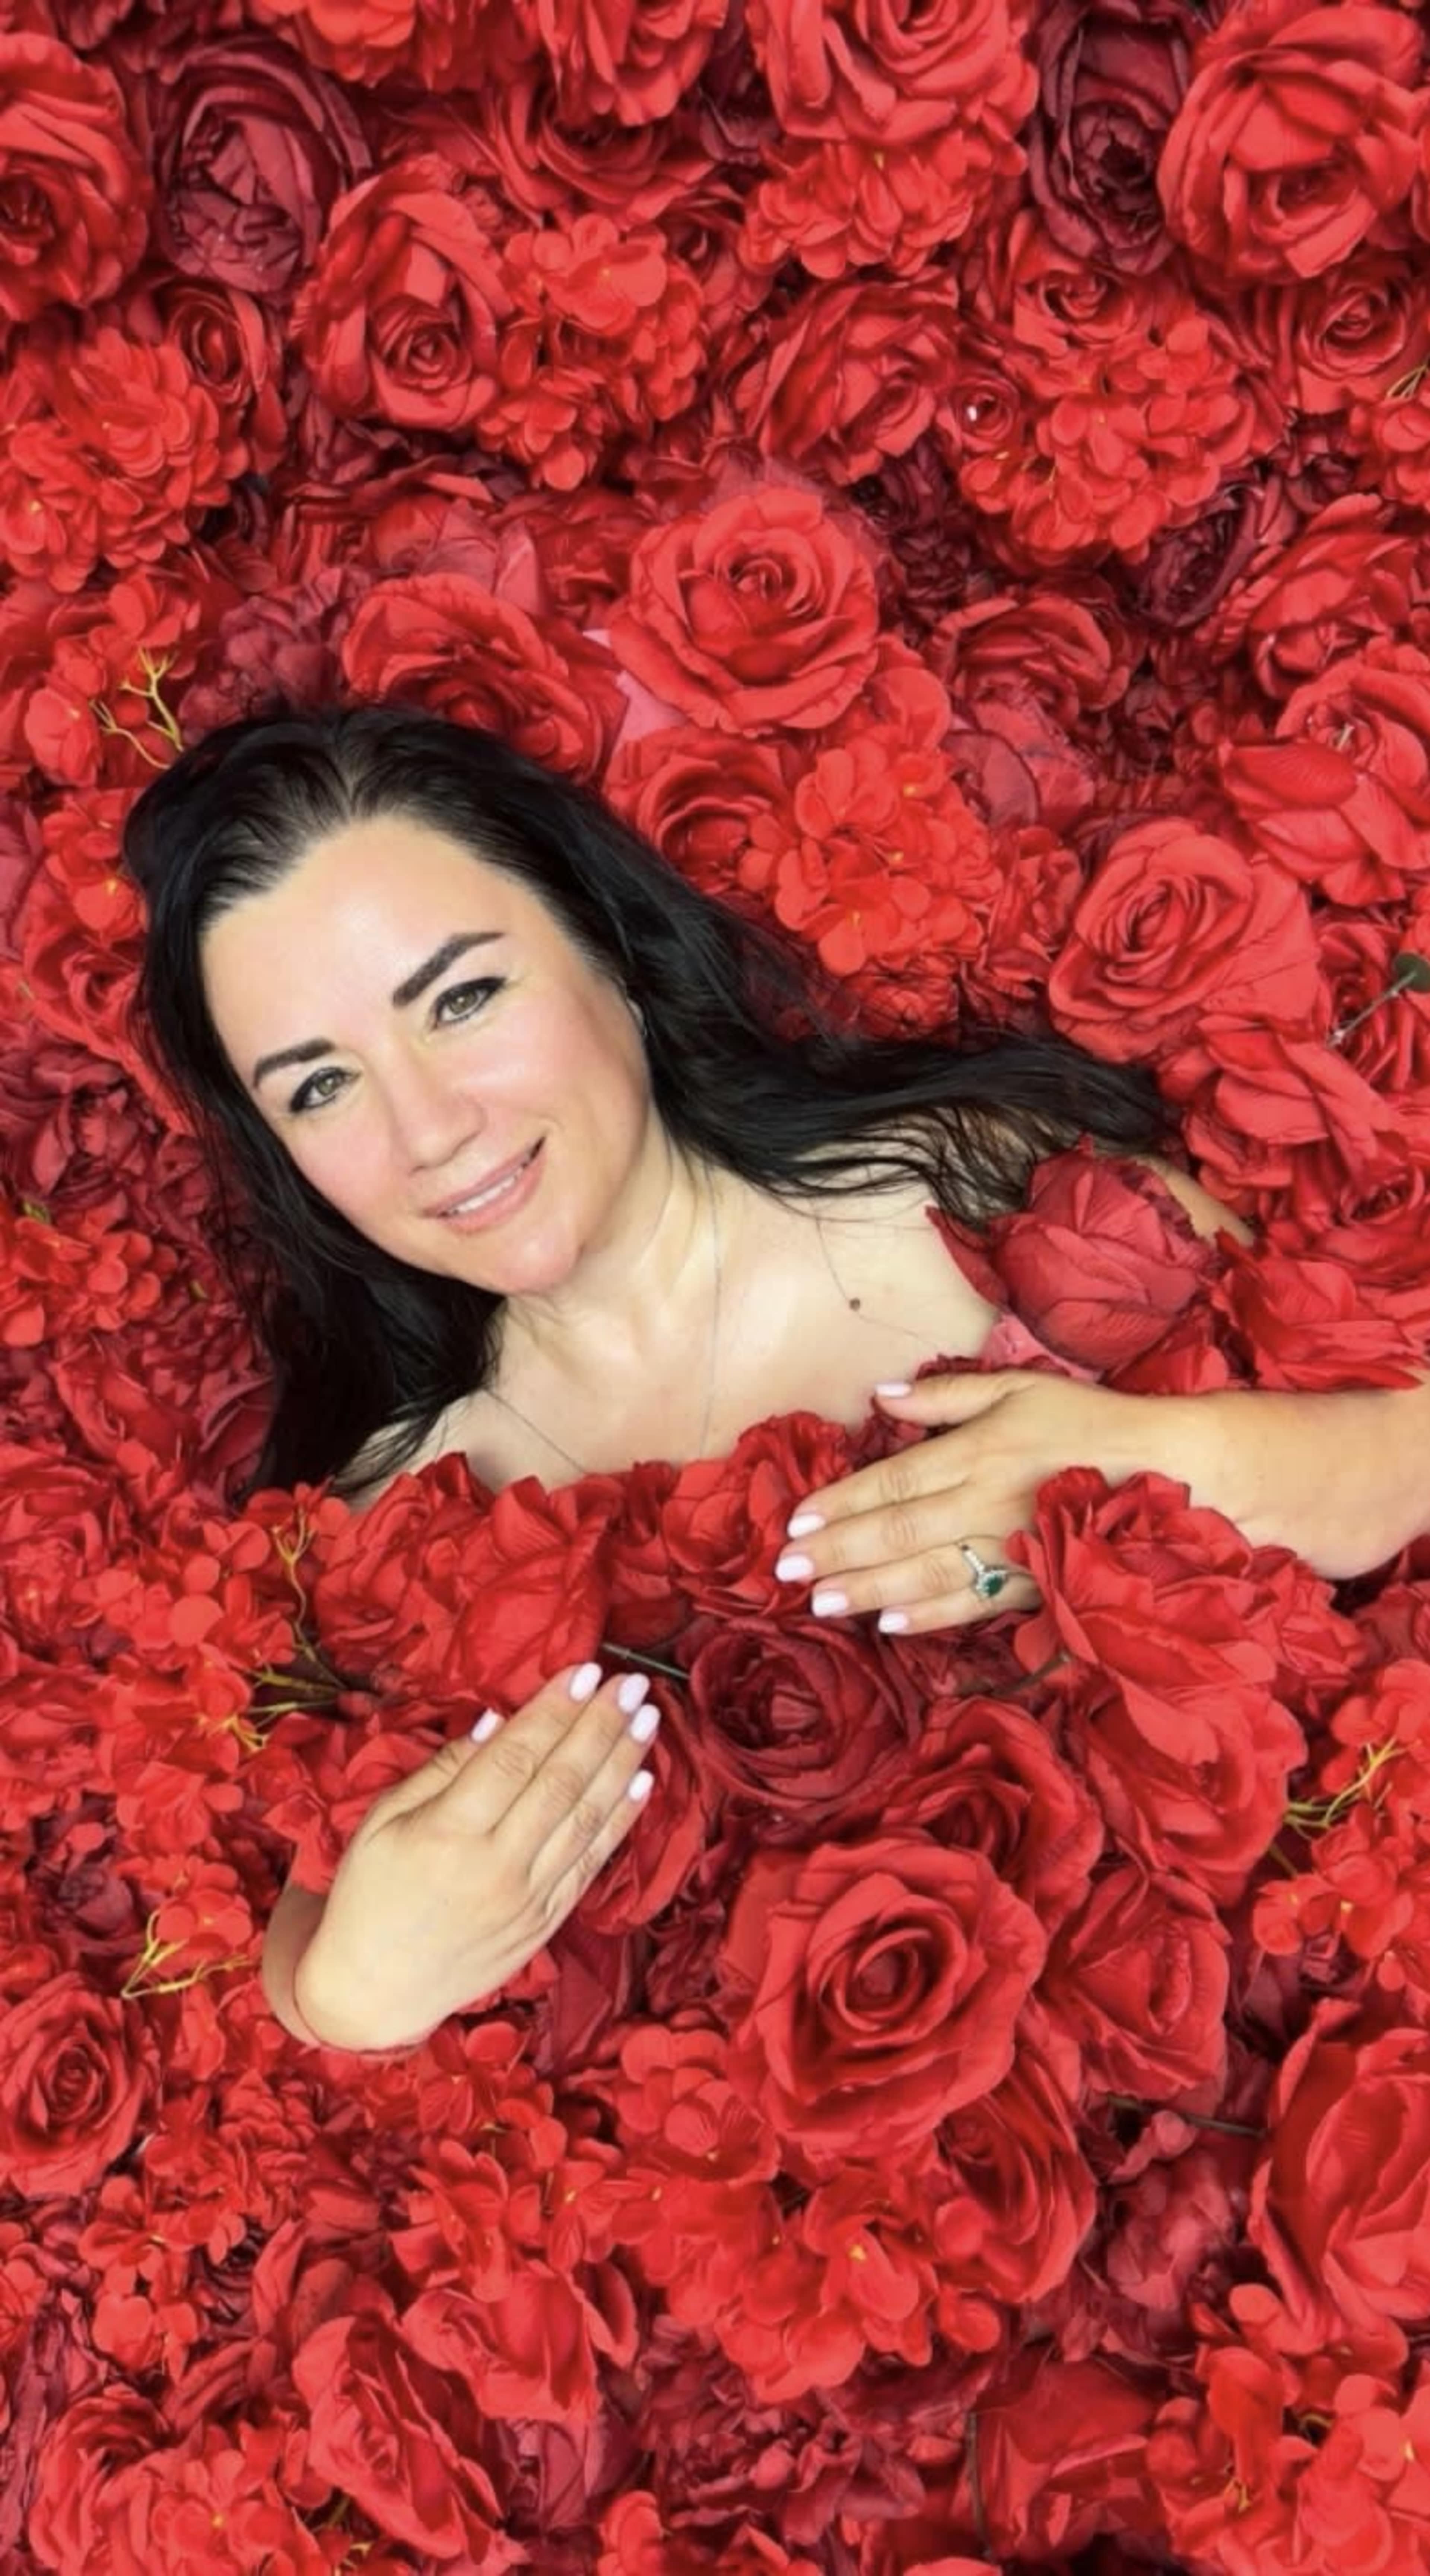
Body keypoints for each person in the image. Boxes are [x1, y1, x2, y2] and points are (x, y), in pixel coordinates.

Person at [120, 698, 1430, 2056]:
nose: (430, 1129)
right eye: (321, 1088)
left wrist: (1149, 1473)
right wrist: (344, 1997)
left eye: (462, 998)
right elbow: (312, 1926)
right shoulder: (391, 1523)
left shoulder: (983, 1188)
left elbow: (1410, 1439)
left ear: (607, 954)